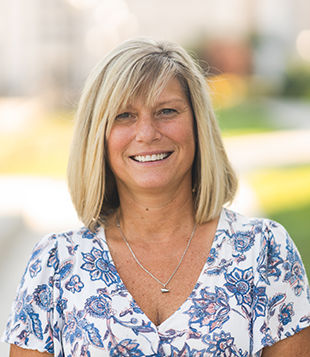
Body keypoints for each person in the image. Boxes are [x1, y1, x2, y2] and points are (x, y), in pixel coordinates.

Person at [3, 37, 310, 357]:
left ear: (197, 124)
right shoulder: (55, 264)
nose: (147, 133)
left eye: (166, 111)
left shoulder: (264, 250)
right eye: (124, 115)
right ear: (98, 136)